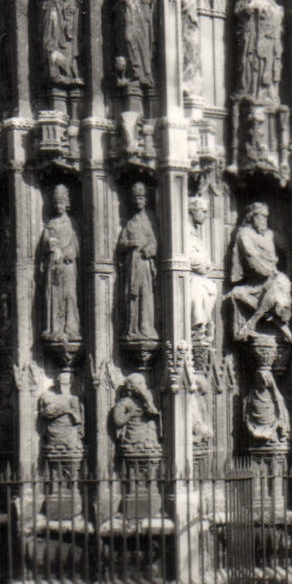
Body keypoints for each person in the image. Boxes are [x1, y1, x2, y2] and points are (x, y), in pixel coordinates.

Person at [226, 201, 292, 341]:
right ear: (252, 216)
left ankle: (256, 322)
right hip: (256, 280)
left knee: (280, 286)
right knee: (240, 293)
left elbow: (288, 250)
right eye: (260, 216)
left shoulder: (270, 234)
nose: (264, 220)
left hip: (274, 277)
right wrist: (268, 272)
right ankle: (277, 323)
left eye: (265, 216)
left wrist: (289, 271)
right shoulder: (244, 233)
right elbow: (251, 258)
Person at [234, 0, 284, 104]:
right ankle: (249, 91)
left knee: (268, 60)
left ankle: (267, 92)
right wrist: (249, 8)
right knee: (250, 59)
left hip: (268, 32)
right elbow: (238, 9)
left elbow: (275, 8)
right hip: (251, 30)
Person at [38, 184, 81, 355]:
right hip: (54, 265)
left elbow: (77, 245)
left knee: (69, 296)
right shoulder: (51, 223)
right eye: (56, 203)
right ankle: (54, 328)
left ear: (67, 204)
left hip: (68, 265)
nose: (59, 206)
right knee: (53, 296)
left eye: (62, 203)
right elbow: (44, 243)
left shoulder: (72, 223)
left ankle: (71, 328)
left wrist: (69, 252)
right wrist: (50, 245)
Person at [116, 182, 158, 354]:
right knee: (132, 297)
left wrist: (149, 250)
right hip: (132, 265)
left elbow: (156, 242)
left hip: (145, 264)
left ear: (146, 199)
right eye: (136, 198)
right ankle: (132, 329)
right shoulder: (131, 222)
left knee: (145, 296)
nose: (138, 201)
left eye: (141, 198)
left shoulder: (150, 219)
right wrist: (131, 243)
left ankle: (146, 328)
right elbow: (121, 244)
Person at [185, 195, 219, 344]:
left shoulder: (194, 232)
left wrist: (205, 264)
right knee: (198, 290)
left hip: (198, 276)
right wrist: (203, 264)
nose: (206, 216)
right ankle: (197, 329)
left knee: (210, 288)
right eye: (203, 211)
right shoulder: (184, 231)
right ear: (192, 211)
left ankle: (203, 327)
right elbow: (188, 256)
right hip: (189, 277)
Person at [110, 373, 162, 457]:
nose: (143, 386)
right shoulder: (125, 402)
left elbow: (154, 412)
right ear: (131, 386)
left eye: (143, 383)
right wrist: (130, 414)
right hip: (133, 439)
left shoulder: (147, 400)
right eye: (140, 383)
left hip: (149, 439)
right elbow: (118, 420)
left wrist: (146, 399)